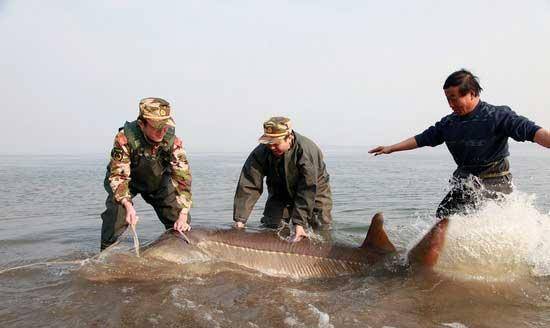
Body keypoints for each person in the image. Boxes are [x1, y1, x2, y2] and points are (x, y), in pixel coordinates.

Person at [369, 69, 550, 218]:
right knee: (443, 216)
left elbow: (532, 131)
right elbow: (422, 139)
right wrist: (391, 148)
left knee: (479, 218)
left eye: (454, 98)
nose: (450, 104)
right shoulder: (449, 123)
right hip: (466, 182)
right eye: (447, 98)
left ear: (472, 93)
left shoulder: (497, 116)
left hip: (495, 182)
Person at [100, 97, 192, 250]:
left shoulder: (172, 141)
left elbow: (183, 178)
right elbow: (119, 177)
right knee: (114, 218)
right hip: (128, 183)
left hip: (158, 182)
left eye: (165, 126)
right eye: (157, 127)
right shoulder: (124, 139)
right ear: (142, 124)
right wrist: (128, 206)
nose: (162, 131)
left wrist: (183, 214)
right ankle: (104, 258)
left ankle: (177, 257)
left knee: (182, 224)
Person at [233, 117, 333, 242]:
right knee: (272, 228)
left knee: (319, 232)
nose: (272, 147)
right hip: (280, 193)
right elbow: (249, 184)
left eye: (276, 143)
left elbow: (307, 188)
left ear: (289, 137)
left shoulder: (306, 151)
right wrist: (240, 220)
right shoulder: (262, 151)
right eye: (269, 143)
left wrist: (299, 223)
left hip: (314, 192)